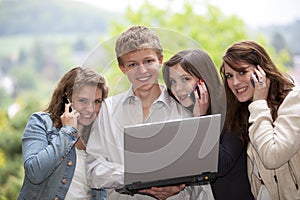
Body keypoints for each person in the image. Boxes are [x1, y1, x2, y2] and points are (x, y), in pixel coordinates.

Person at [85, 25, 193, 200]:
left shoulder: (184, 108)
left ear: (160, 59)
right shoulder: (108, 109)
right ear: (123, 68)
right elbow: (93, 171)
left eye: (148, 61)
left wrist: (177, 187)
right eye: (133, 64)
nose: (142, 71)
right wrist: (133, 175)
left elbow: (199, 174)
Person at [162, 48, 253, 200]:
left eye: (185, 79)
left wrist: (201, 120)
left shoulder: (234, 108)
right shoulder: (184, 113)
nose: (178, 88)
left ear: (203, 80)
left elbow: (221, 165)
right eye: (173, 81)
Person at [220, 40, 300, 200]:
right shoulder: (245, 112)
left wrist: (258, 102)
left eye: (242, 72)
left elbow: (272, 156)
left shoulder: (294, 101)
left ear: (261, 71)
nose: (235, 82)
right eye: (229, 76)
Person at [18, 67, 109, 200]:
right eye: (83, 100)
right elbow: (34, 173)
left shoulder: (100, 137)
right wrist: (67, 132)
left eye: (97, 101)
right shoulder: (41, 122)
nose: (90, 109)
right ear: (67, 99)